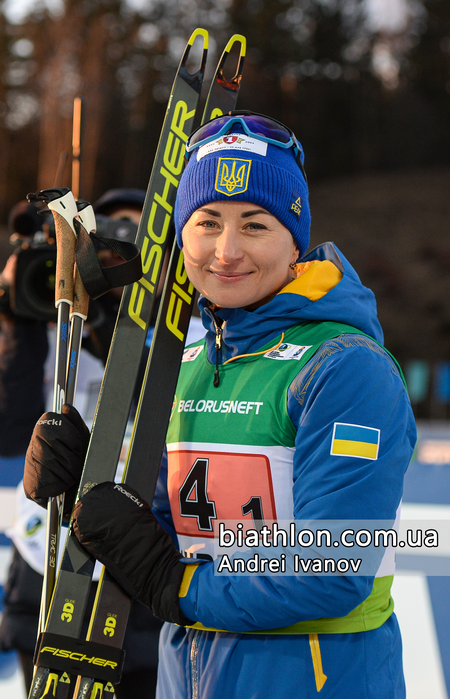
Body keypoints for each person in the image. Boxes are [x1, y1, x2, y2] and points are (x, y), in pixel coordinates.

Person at [24, 112, 416, 699]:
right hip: (190, 675)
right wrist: (88, 485)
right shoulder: (189, 358)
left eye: (255, 225)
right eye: (207, 222)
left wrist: (176, 586)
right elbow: (163, 528)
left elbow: (334, 566)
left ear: (294, 238)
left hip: (314, 680)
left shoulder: (342, 367)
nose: (226, 251)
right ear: (182, 233)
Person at [0, 189, 205, 697]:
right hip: (50, 568)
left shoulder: (196, 333)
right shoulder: (57, 322)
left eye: (143, 241)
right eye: (113, 236)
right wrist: (15, 318)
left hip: (140, 577)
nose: (127, 257)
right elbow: (8, 425)